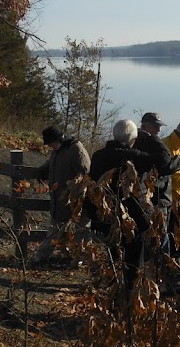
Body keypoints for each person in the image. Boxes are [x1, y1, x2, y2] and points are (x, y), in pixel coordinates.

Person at [87, 119, 157, 279]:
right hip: (129, 215)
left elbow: (92, 184)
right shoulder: (133, 156)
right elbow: (164, 160)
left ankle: (115, 283)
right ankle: (131, 284)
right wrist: (151, 137)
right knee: (135, 248)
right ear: (133, 138)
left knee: (114, 249)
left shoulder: (98, 156)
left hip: (105, 213)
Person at [30, 126, 91, 265]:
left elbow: (85, 171)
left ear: (57, 140)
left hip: (74, 198)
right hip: (59, 198)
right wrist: (42, 171)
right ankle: (48, 256)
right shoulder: (58, 150)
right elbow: (52, 163)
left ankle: (80, 258)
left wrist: (76, 191)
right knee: (57, 227)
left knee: (80, 229)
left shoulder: (76, 149)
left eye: (50, 143)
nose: (50, 147)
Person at [132, 111, 180, 220]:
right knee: (159, 230)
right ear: (145, 126)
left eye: (160, 126)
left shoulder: (132, 141)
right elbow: (166, 167)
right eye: (156, 126)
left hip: (143, 196)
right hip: (158, 197)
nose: (159, 129)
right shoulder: (152, 143)